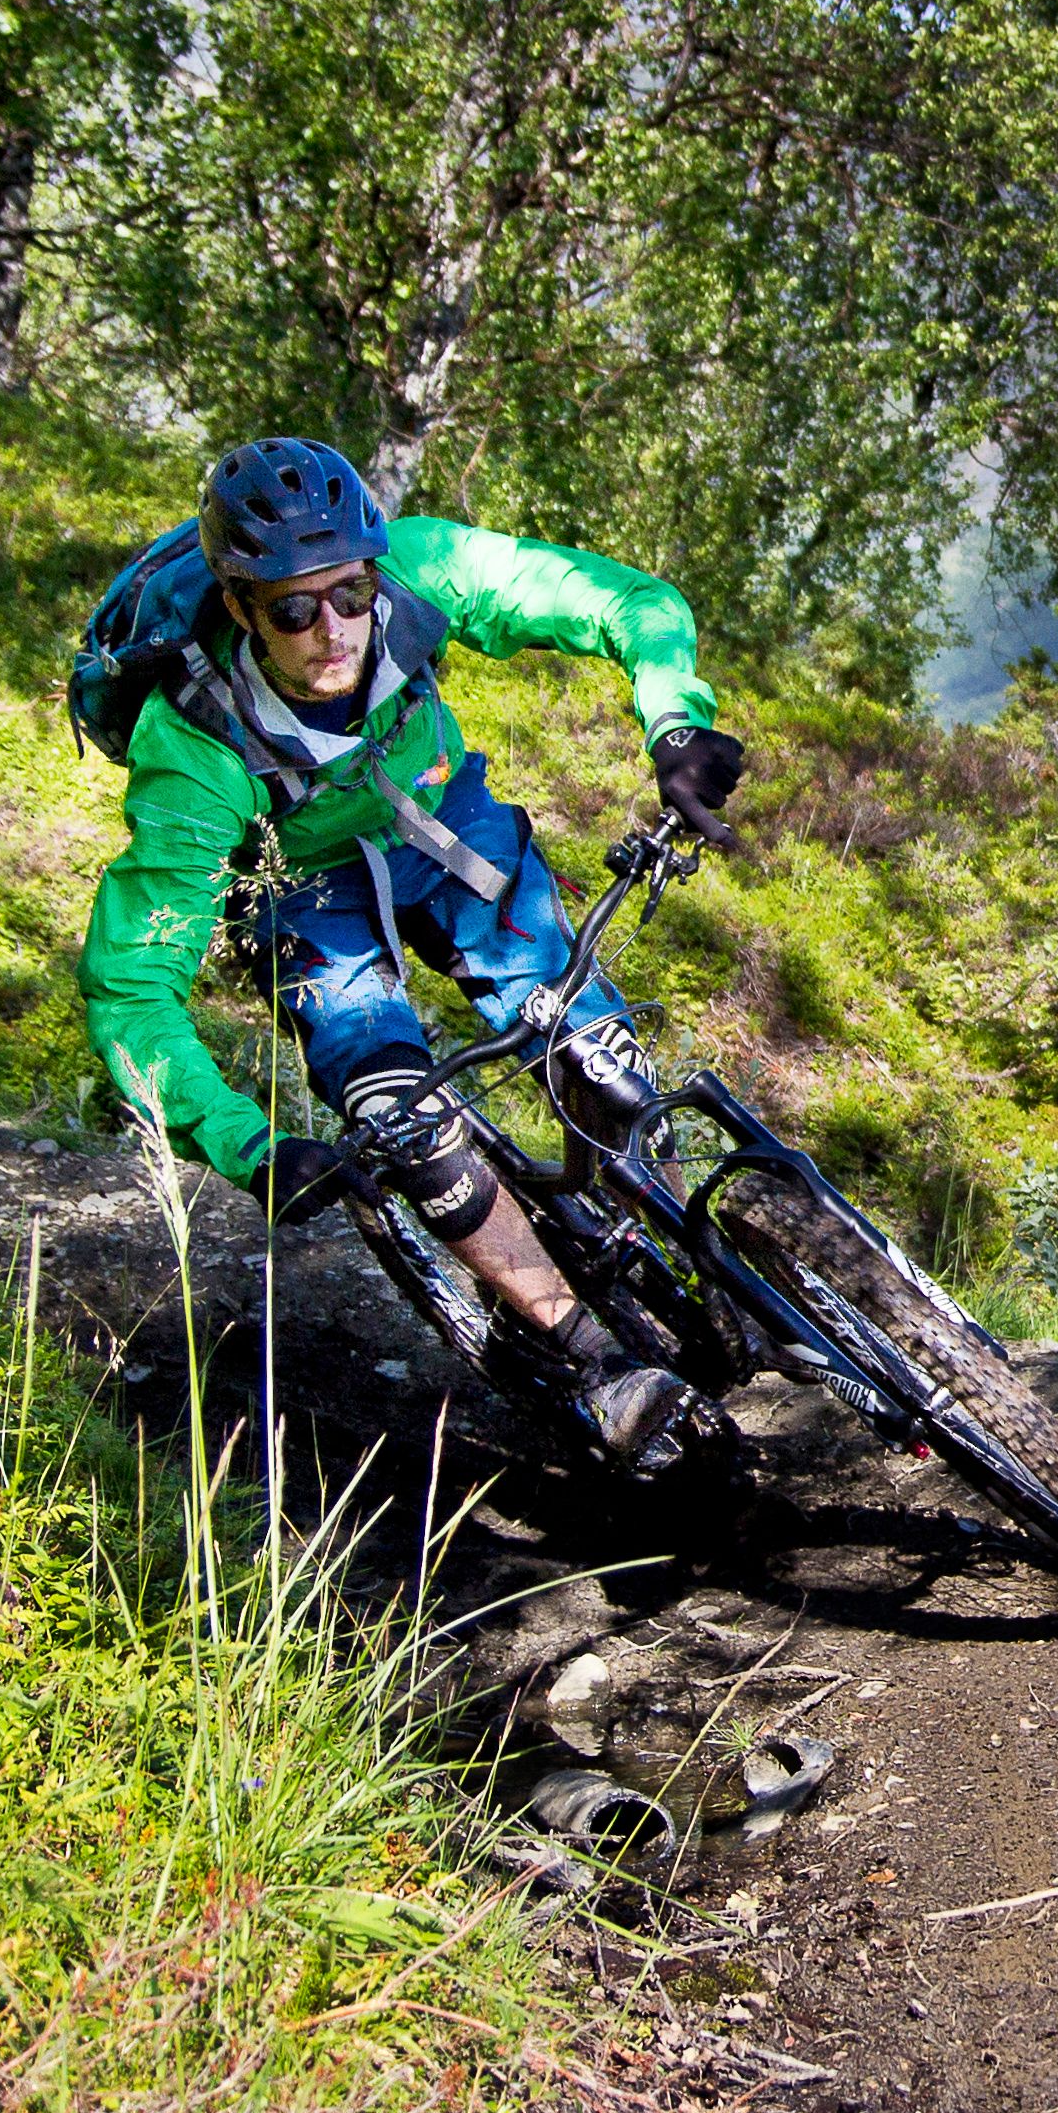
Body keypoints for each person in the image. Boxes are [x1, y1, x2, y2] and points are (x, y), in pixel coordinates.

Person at [77, 436, 752, 1465]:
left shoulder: (421, 567)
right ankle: (592, 1360)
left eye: (349, 593)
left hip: (446, 823)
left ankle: (673, 1238)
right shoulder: (197, 747)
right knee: (410, 1126)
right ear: (240, 602)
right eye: (294, 610)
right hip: (307, 896)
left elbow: (625, 601)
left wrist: (672, 724)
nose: (332, 629)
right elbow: (134, 982)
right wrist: (243, 1145)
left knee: (600, 1060)